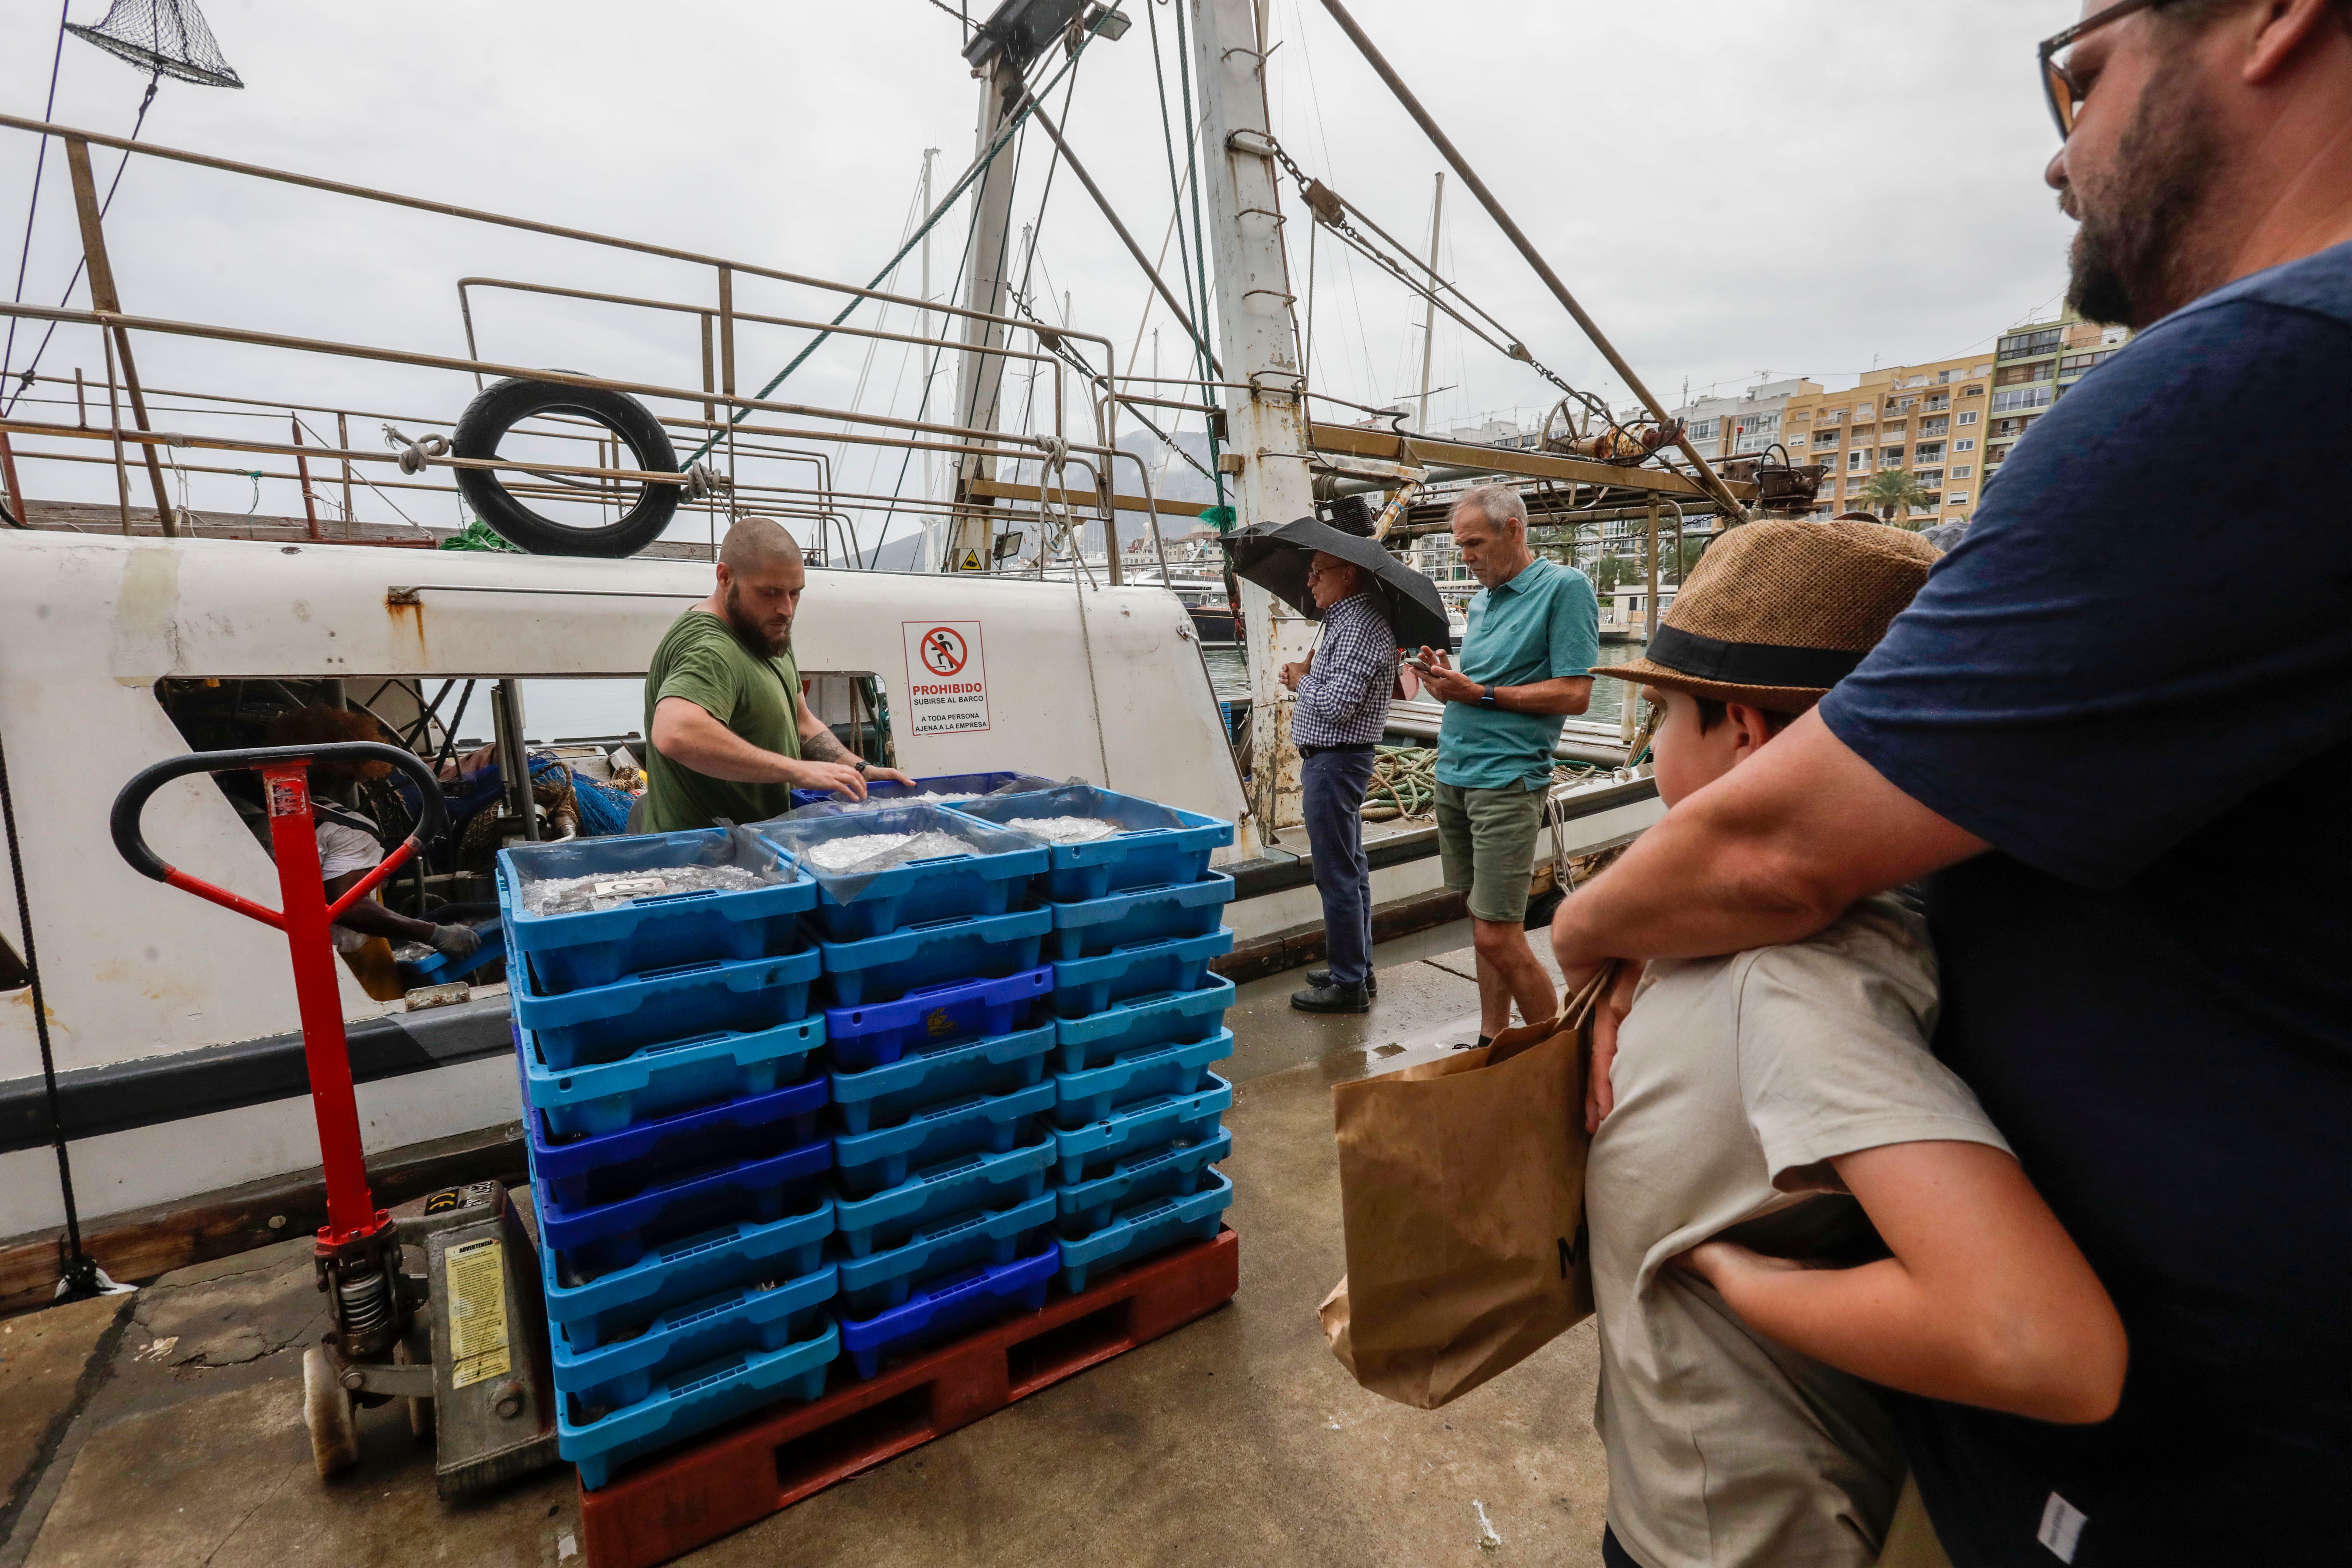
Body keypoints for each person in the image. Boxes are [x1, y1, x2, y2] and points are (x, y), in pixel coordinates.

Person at [1553, 2, 2352, 1560]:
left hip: (2206, 1469)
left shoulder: (2272, 365)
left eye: (2079, 73)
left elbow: (1769, 854)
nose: (2055, 154)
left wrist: (1590, 941)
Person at [1575, 521, 2126, 1568]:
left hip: (1735, 1526)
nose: (1648, 748)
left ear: (1736, 727)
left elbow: (2037, 1341)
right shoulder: (1802, 924)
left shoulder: (1799, 977)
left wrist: (1727, 1275)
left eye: (1656, 715)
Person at [1413, 484, 1596, 1046]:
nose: (1465, 556)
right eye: (1459, 545)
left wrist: (1483, 694)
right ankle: (1493, 1037)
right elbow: (1483, 687)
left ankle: (1562, 1056)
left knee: (1498, 935)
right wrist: (1449, 684)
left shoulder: (1564, 588)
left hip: (1507, 781)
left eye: (1474, 543)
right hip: (1456, 773)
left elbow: (1574, 694)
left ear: (1514, 530)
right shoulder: (1482, 599)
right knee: (1483, 922)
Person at [643, 518, 912, 832]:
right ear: (725, 577)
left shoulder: (765, 630)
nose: (786, 609)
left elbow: (802, 723)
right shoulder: (710, 649)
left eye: (794, 593)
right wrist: (798, 771)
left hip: (754, 847)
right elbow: (676, 734)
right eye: (770, 593)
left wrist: (860, 769)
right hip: (700, 858)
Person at [266, 705, 479, 1001]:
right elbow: (350, 907)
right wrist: (435, 934)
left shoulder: (261, 820)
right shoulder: (348, 830)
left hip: (281, 968)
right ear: (353, 769)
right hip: (348, 973)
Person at [1279, 550, 1398, 1014]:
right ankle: (1357, 969)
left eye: (1317, 573)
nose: (1310, 582)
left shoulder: (1358, 627)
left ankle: (1349, 983)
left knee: (1336, 873)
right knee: (1350, 868)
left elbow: (1338, 705)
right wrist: (1309, 676)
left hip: (1335, 763)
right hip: (1336, 762)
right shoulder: (1344, 623)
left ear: (1347, 575)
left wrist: (1301, 681)